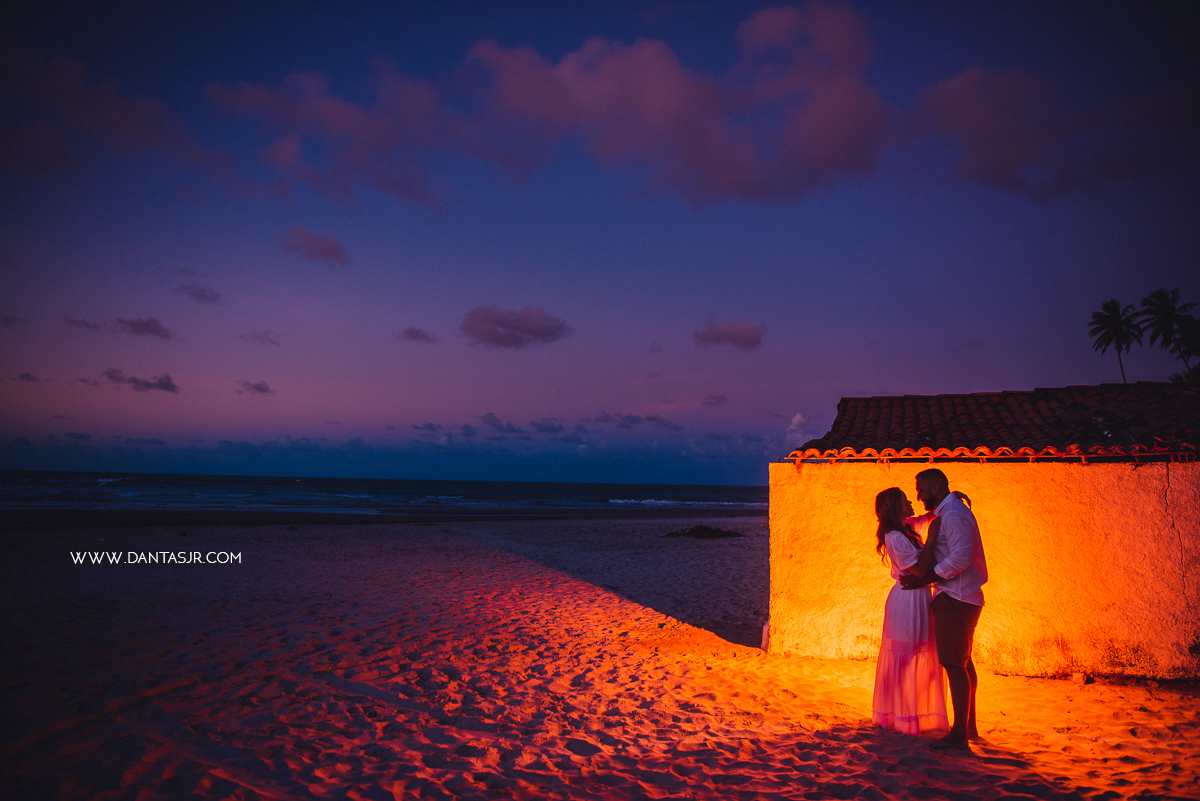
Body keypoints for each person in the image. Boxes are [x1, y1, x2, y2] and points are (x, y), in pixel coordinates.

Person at [900, 469, 988, 751]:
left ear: (936, 486)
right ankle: (968, 726)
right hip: (959, 596)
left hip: (956, 597)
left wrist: (924, 578)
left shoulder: (953, 515)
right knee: (963, 662)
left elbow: (960, 558)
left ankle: (959, 734)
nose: (918, 496)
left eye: (921, 490)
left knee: (954, 665)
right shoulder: (948, 511)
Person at [871, 487, 949, 735]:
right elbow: (919, 569)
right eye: (905, 500)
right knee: (905, 658)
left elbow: (926, 517)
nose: (911, 502)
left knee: (919, 651)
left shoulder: (906, 527)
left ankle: (915, 712)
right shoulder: (894, 536)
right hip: (906, 599)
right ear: (896, 506)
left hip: (919, 596)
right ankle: (901, 715)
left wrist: (948, 501)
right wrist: (934, 537)